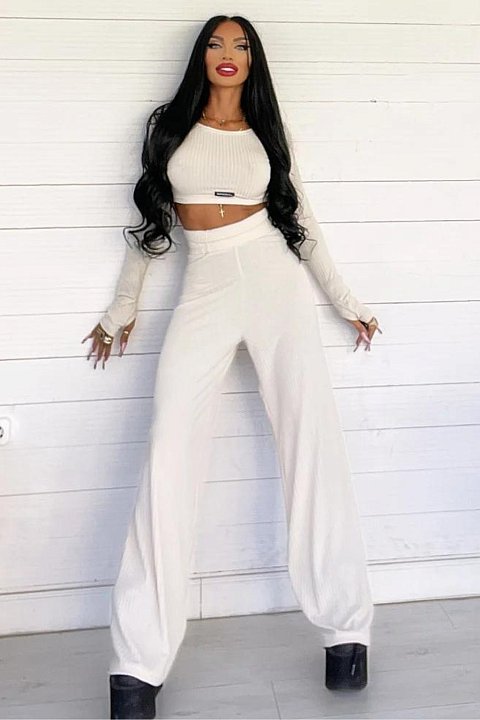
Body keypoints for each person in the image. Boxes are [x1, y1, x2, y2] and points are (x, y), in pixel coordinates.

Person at [82, 15, 382, 720]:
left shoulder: (269, 132)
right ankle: (137, 666)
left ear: (253, 60)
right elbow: (150, 226)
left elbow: (303, 222)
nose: (228, 54)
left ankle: (346, 631)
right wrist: (121, 310)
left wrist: (348, 302)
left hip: (273, 279)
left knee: (311, 445)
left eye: (241, 45)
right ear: (202, 56)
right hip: (205, 283)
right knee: (168, 455)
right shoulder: (168, 128)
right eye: (217, 43)